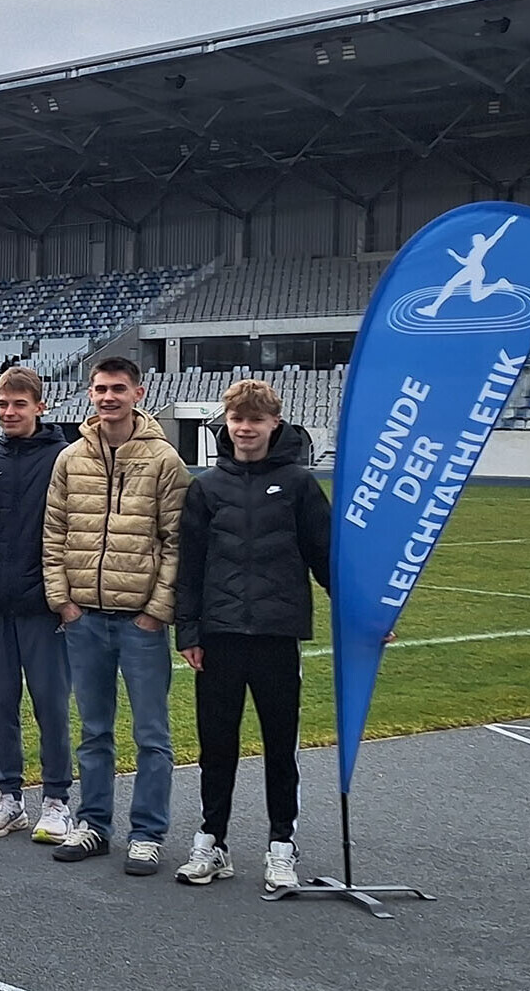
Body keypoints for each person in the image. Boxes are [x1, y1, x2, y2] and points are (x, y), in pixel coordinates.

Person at [173, 380, 332, 892]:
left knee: (280, 747)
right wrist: (189, 631)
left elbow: (326, 557)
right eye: (238, 419)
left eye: (255, 420)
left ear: (274, 424)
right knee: (216, 747)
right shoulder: (206, 488)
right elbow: (190, 567)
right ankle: (211, 842)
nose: (245, 429)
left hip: (276, 636)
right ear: (227, 423)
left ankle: (281, 846)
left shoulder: (299, 484)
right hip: (219, 637)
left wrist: (363, 617)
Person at [44, 356, 190, 875]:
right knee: (94, 731)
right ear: (90, 393)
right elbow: (54, 533)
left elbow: (176, 542)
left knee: (151, 734)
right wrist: (64, 602)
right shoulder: (70, 458)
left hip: (139, 622)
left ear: (138, 393)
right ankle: (94, 825)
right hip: (84, 618)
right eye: (101, 389)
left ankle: (147, 833)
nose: (109, 397)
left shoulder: (164, 460)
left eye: (119, 389)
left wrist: (156, 611)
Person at [0, 366, 75, 844]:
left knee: (50, 704)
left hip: (44, 606)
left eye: (19, 404)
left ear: (40, 406)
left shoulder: (64, 458)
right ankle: (8, 796)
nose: (9, 412)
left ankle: (56, 799)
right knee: (0, 702)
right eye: (3, 404)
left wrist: (64, 595)